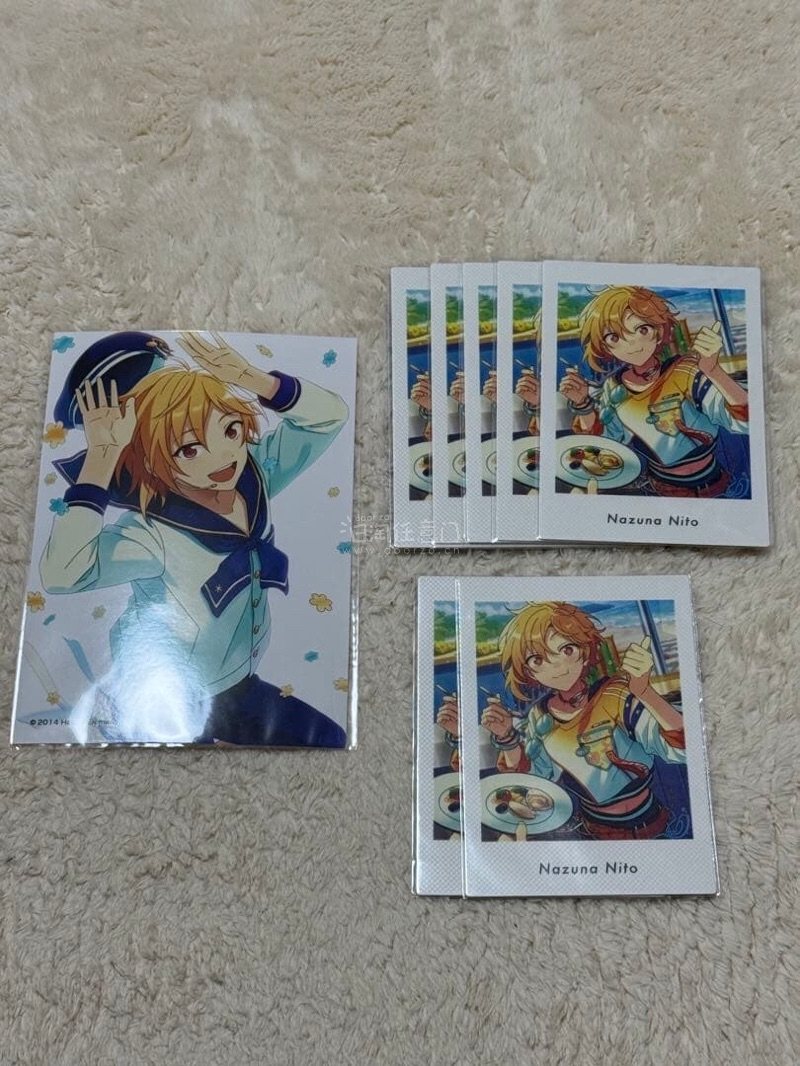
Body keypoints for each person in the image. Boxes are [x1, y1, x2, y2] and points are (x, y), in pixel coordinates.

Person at [41, 330, 349, 747]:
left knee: (329, 738)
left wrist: (252, 378)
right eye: (188, 449)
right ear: (148, 459)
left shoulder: (255, 476)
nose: (223, 456)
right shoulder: (152, 533)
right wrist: (101, 459)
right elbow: (62, 575)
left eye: (230, 429)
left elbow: (330, 416)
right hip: (170, 695)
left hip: (237, 682)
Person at [477, 602, 687, 840]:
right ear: (528, 671)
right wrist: (506, 736)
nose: (557, 666)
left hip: (653, 825)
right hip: (592, 831)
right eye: (537, 660)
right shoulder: (540, 715)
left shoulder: (616, 695)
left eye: (567, 650)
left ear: (585, 651)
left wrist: (645, 692)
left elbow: (681, 748)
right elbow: (535, 778)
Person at [559, 286, 749, 497]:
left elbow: (746, 421)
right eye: (614, 337)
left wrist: (714, 372)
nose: (631, 344)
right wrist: (583, 404)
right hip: (657, 491)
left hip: (715, 486)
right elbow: (606, 443)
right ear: (605, 347)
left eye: (642, 330)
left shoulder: (686, 371)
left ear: (659, 332)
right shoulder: (614, 386)